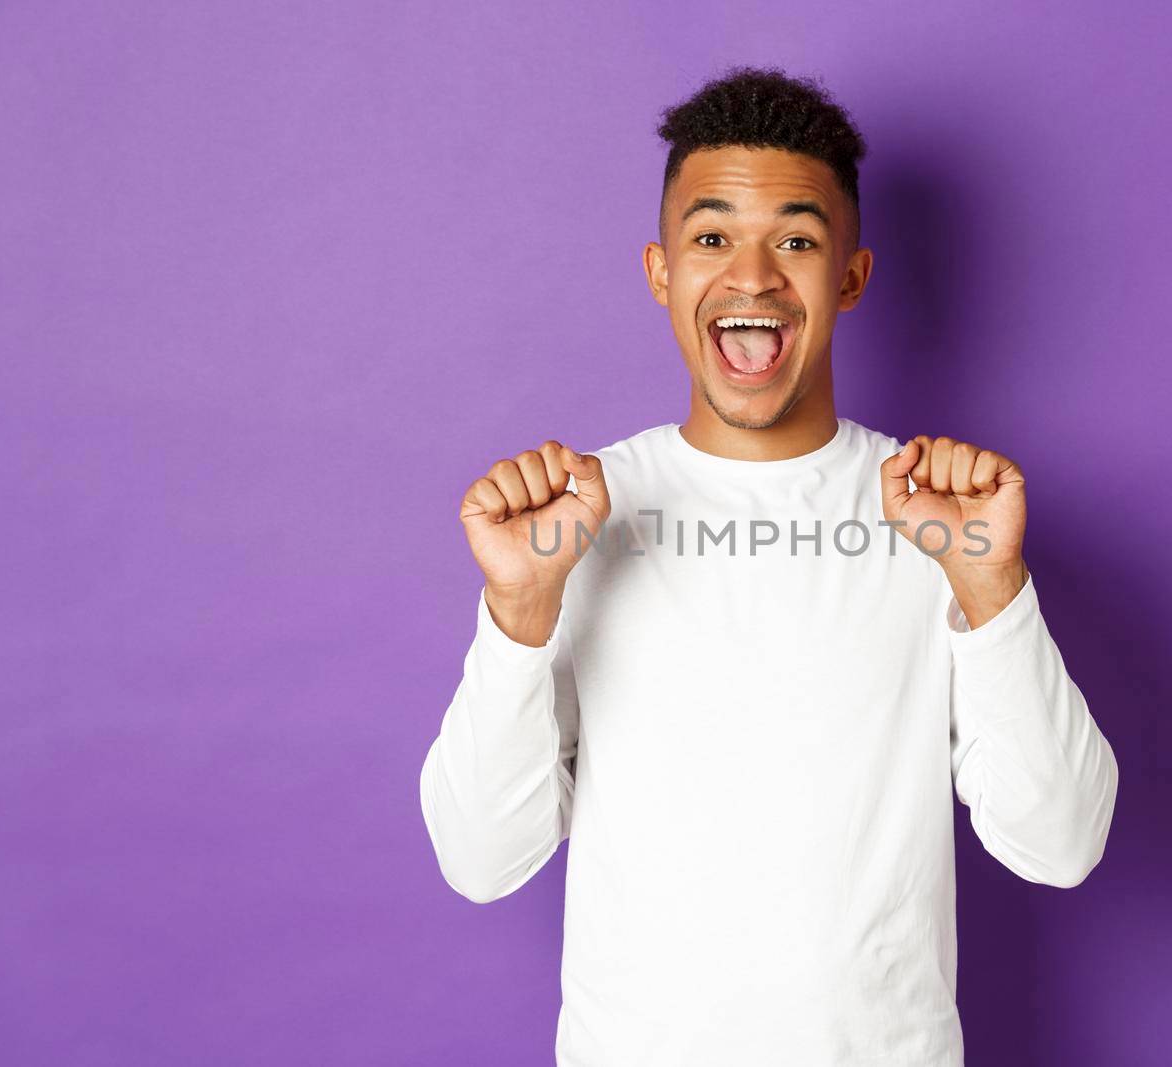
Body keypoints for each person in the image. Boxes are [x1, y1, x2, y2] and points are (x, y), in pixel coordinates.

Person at [419, 66, 1118, 1066]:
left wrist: (990, 586)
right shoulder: (575, 519)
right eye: (712, 238)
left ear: (850, 276)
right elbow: (481, 860)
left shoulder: (937, 514)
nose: (750, 277)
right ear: (661, 272)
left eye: (794, 239)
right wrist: (521, 602)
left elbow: (1059, 843)